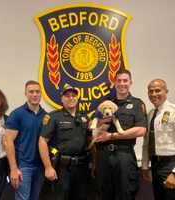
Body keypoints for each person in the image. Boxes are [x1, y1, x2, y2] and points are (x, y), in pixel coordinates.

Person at [94, 69, 147, 200]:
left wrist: (112, 136)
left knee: (126, 193)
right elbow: (92, 126)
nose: (122, 83)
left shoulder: (137, 104)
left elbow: (141, 130)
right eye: (119, 80)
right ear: (114, 83)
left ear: (130, 82)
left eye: (125, 80)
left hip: (124, 156)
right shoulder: (106, 103)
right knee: (105, 193)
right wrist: (100, 122)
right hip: (104, 156)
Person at [38, 84, 90, 200]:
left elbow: (90, 140)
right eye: (67, 96)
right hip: (62, 168)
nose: (71, 98)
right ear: (61, 98)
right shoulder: (53, 117)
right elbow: (42, 141)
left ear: (77, 98)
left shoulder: (84, 117)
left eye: (73, 95)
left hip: (82, 167)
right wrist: (48, 167)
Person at [4, 80, 46, 200]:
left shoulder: (46, 116)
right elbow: (8, 141)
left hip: (40, 167)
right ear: (25, 94)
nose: (34, 94)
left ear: (41, 93)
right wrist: (13, 168)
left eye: (37, 92)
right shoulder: (17, 114)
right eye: (31, 92)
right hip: (23, 167)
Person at [142, 79, 175, 200]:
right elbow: (146, 142)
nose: (153, 94)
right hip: (155, 165)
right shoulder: (151, 114)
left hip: (170, 164)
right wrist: (145, 165)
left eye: (157, 90)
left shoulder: (173, 111)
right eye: (150, 91)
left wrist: (174, 173)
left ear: (166, 91)